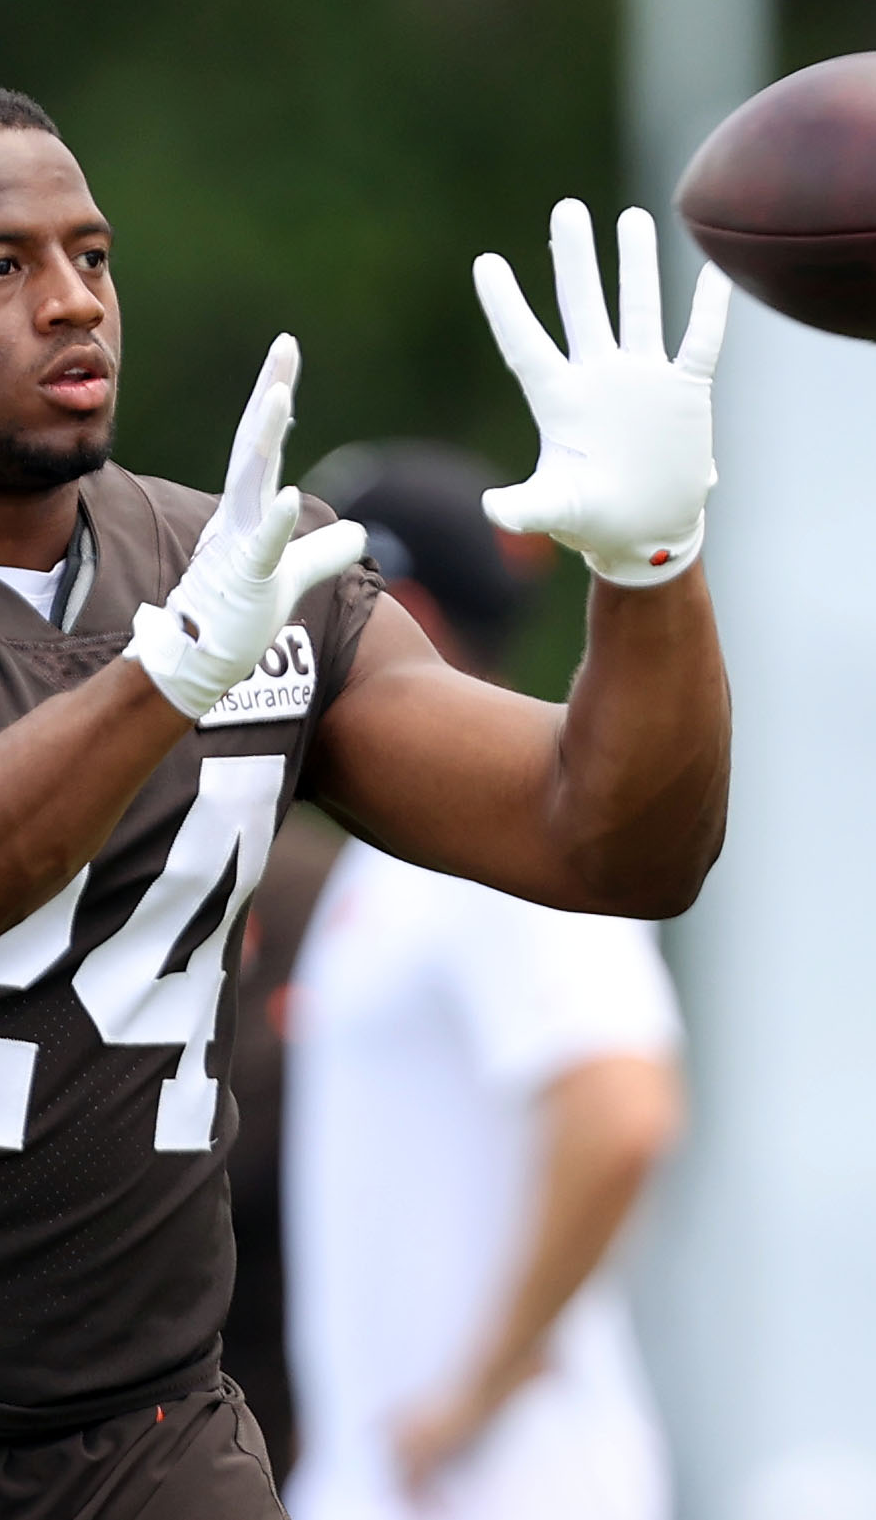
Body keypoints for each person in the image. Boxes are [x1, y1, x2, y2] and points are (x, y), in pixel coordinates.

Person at [0, 79, 732, 1519]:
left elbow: (609, 837)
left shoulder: (239, 562)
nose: (71, 303)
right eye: (3, 265)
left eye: (92, 258)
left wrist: (655, 572)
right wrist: (160, 674)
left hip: (147, 1441)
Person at [275, 444, 686, 1520]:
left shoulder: (493, 842)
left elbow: (621, 1111)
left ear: (390, 607)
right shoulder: (413, 849)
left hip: (498, 1484)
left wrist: (474, 1396)